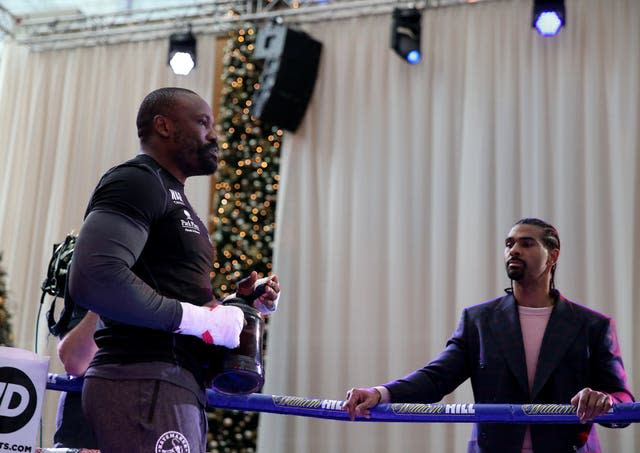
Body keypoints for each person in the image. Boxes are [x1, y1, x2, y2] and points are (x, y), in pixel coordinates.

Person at [68, 87, 281, 453]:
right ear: (163, 126)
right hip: (141, 379)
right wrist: (200, 320)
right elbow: (95, 276)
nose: (214, 134)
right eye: (202, 122)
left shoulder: (174, 196)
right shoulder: (136, 180)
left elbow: (171, 291)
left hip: (167, 383)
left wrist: (235, 305)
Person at [343, 218, 633, 453]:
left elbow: (622, 399)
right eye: (509, 243)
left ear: (553, 256)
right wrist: (380, 392)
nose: (513, 249)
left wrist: (603, 399)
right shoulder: (479, 320)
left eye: (526, 243)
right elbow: (435, 378)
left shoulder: (593, 325)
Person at [53, 306, 99, 448]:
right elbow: (75, 362)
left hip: (148, 422)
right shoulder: (88, 292)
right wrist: (104, 302)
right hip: (85, 429)